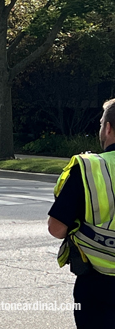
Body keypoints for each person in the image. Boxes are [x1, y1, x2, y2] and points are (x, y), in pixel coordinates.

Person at [48, 98, 115, 328]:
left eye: (100, 124)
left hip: (96, 286)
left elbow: (56, 228)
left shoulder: (88, 168)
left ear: (108, 127)